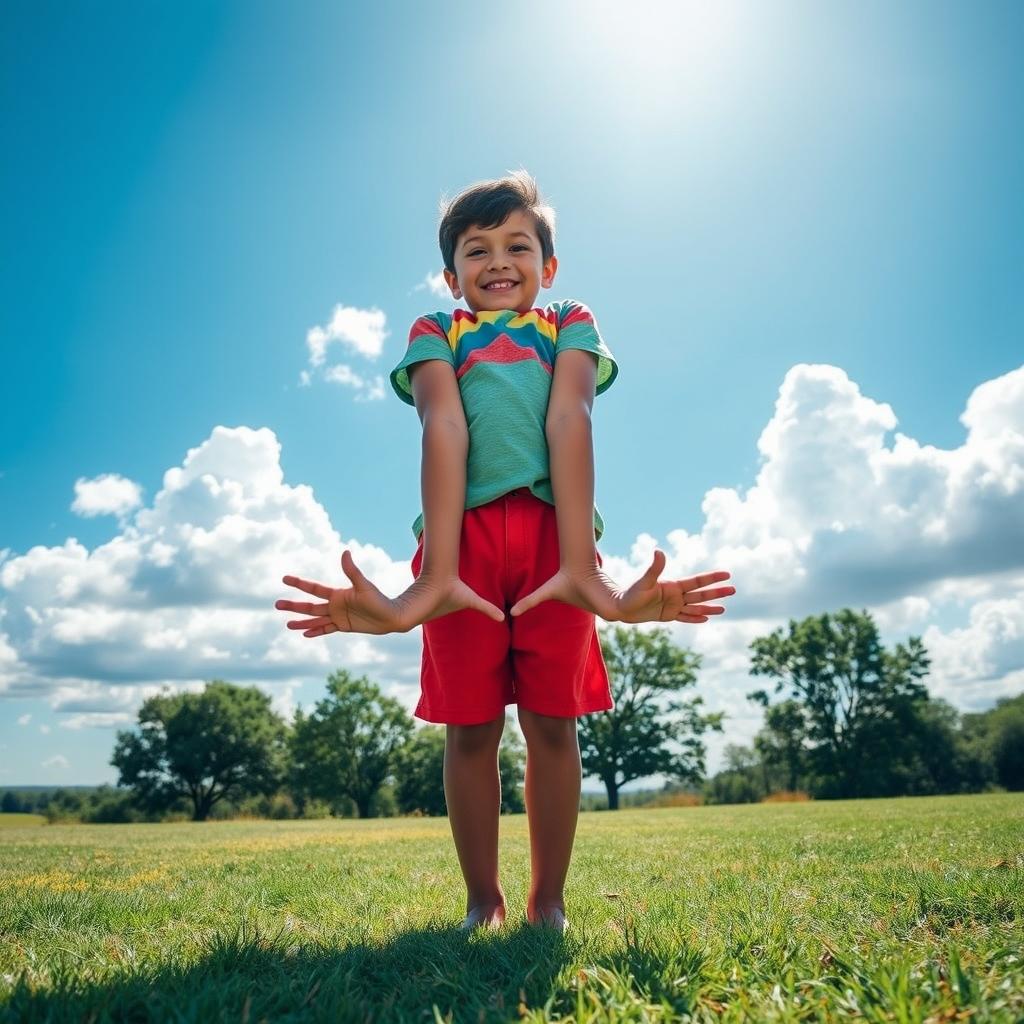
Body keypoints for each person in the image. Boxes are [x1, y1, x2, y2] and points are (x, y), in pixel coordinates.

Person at [275, 169, 735, 933]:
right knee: (471, 728)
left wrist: (589, 571)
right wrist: (436, 578)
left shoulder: (569, 324)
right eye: (475, 249)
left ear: (547, 267)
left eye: (517, 246)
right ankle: (482, 899)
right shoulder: (437, 332)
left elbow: (571, 417)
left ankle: (546, 900)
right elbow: (444, 428)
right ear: (451, 275)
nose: (497, 261)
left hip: (557, 539)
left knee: (555, 724)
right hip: (462, 540)